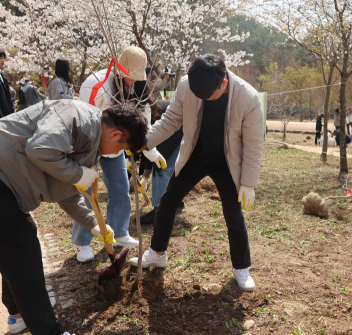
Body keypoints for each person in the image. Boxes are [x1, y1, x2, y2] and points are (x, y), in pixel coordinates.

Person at [0, 99, 147, 335]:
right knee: (22, 251)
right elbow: (39, 149)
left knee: (15, 249)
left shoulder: (89, 139)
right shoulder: (74, 116)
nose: (117, 154)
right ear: (115, 134)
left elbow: (66, 192)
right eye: (122, 149)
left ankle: (18, 316)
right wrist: (79, 173)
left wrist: (94, 225)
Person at [129, 54, 264, 293]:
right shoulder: (187, 85)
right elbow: (170, 121)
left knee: (233, 213)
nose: (201, 98)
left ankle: (241, 268)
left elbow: (254, 144)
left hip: (226, 161)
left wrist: (249, 182)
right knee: (168, 201)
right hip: (193, 155)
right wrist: (144, 141)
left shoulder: (248, 97)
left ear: (223, 84)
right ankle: (158, 253)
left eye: (207, 96)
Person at [73, 46, 166, 262]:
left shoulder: (140, 89)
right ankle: (82, 242)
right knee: (86, 194)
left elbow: (142, 126)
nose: (132, 81)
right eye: (129, 77)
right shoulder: (97, 84)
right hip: (89, 144)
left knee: (121, 188)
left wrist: (151, 153)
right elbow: (84, 120)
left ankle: (120, 231)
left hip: (116, 146)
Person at [139, 99, 185, 226]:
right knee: (169, 169)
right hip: (177, 129)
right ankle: (178, 204)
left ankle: (159, 212)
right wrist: (145, 177)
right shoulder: (143, 112)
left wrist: (145, 175)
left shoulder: (143, 118)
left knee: (161, 170)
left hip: (175, 130)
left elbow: (149, 148)